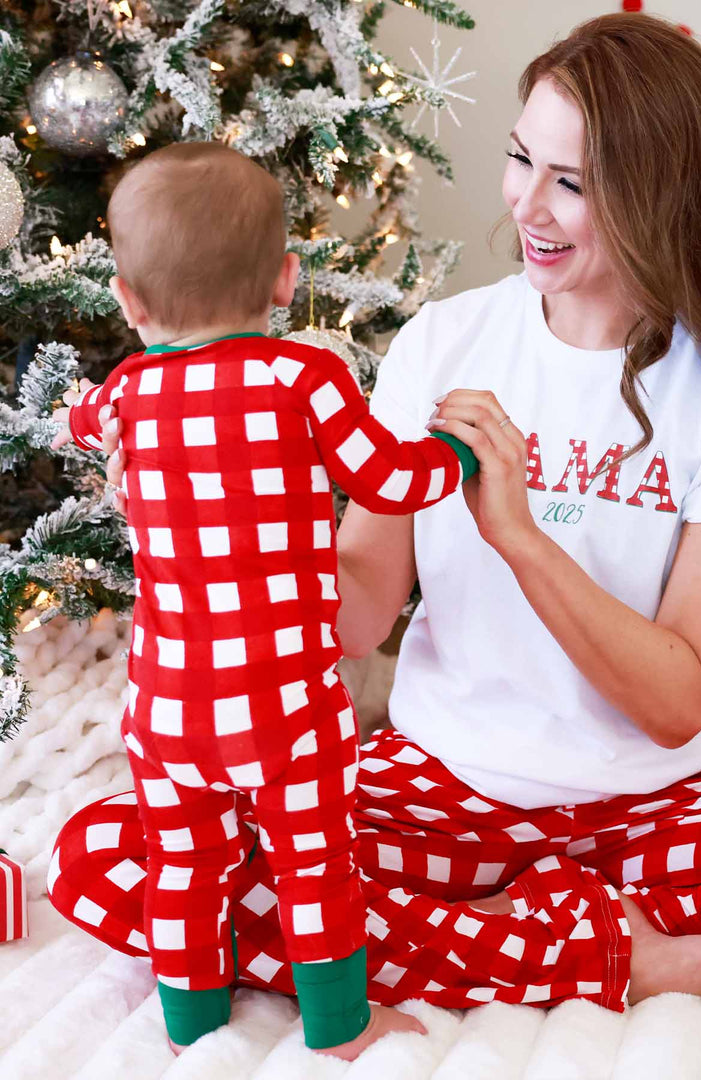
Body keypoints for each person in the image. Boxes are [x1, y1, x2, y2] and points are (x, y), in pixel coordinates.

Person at [49, 12, 701, 1050]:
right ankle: (610, 956)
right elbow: (349, 622)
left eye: (571, 182)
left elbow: (677, 701)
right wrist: (201, 514)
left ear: (659, 194)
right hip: (442, 796)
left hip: (669, 811)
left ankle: (483, 943)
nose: (529, 205)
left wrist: (522, 537)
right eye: (521, 159)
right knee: (109, 855)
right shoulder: (448, 341)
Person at [49, 142, 477, 1058]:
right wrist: (463, 456)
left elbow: (82, 417)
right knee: (317, 861)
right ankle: (339, 1025)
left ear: (127, 301)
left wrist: (75, 415)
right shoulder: (303, 380)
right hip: (285, 701)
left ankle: (190, 1027)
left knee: (182, 866)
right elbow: (392, 480)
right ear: (284, 280)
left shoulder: (128, 391)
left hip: (169, 704)